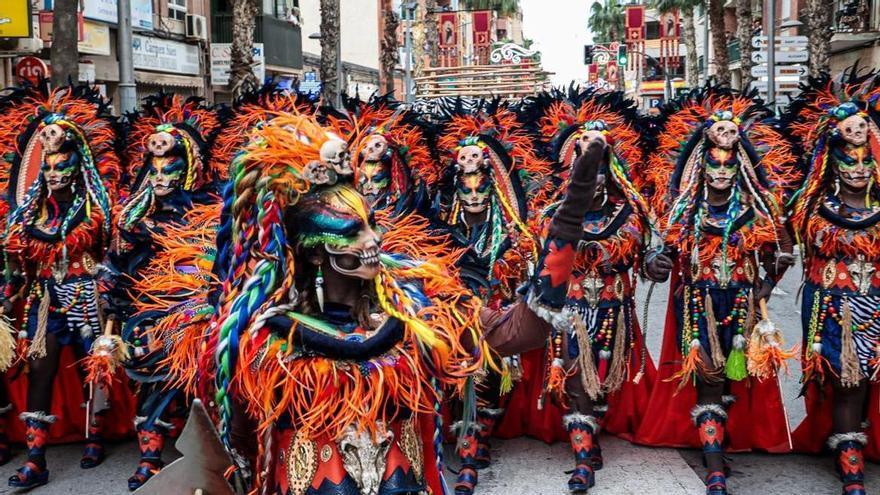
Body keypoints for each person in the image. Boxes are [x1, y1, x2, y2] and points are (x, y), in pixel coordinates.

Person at [152, 105, 603, 494]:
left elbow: (520, 330)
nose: (374, 239)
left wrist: (570, 215)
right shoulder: (257, 335)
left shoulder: (418, 305)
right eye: (352, 232)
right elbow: (235, 443)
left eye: (370, 223)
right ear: (313, 250)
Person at [635, 86, 801, 495]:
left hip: (742, 304)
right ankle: (713, 467)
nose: (722, 171)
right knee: (709, 374)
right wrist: (654, 265)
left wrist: (767, 282)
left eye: (729, 163)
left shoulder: (757, 208)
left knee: (732, 379)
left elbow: (781, 250)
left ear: (741, 164)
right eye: (714, 163)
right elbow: (661, 259)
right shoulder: (684, 209)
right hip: (698, 304)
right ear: (700, 165)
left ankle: (718, 439)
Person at [507, 87, 658, 493]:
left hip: (613, 310)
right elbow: (545, 255)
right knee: (575, 380)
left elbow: (642, 260)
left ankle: (591, 438)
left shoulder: (630, 212)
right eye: (581, 156)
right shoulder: (551, 214)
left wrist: (654, 265)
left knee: (605, 378)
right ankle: (581, 459)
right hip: (570, 311)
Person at [0, 84, 125, 488]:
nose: (53, 174)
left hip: (88, 298)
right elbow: (16, 259)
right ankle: (36, 458)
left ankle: (94, 436)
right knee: (40, 371)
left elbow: (110, 250)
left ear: (77, 165)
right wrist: (12, 286)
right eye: (47, 167)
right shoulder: (30, 212)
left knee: (95, 369)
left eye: (60, 166)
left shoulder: (96, 208)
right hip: (46, 303)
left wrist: (107, 281)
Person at [431, 98, 552, 495]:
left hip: (499, 312)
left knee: (496, 372)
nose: (473, 193)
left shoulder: (514, 232)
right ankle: (469, 450)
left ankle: (481, 435)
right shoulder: (441, 231)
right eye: (464, 185)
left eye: (481, 183)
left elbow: (530, 263)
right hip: (458, 314)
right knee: (466, 372)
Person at [112, 93, 222, 490]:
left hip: (194, 309)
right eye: (153, 167)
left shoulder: (206, 208)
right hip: (146, 309)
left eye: (169, 166)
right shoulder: (133, 214)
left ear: (188, 166)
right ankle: (149, 456)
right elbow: (118, 265)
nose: (159, 176)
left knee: (204, 381)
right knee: (150, 379)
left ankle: (216, 457)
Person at [786, 68, 880, 495]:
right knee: (848, 381)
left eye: (866, 160)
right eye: (849, 160)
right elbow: (790, 240)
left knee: (868, 384)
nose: (858, 169)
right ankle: (850, 463)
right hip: (836, 306)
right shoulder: (813, 208)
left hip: (877, 301)